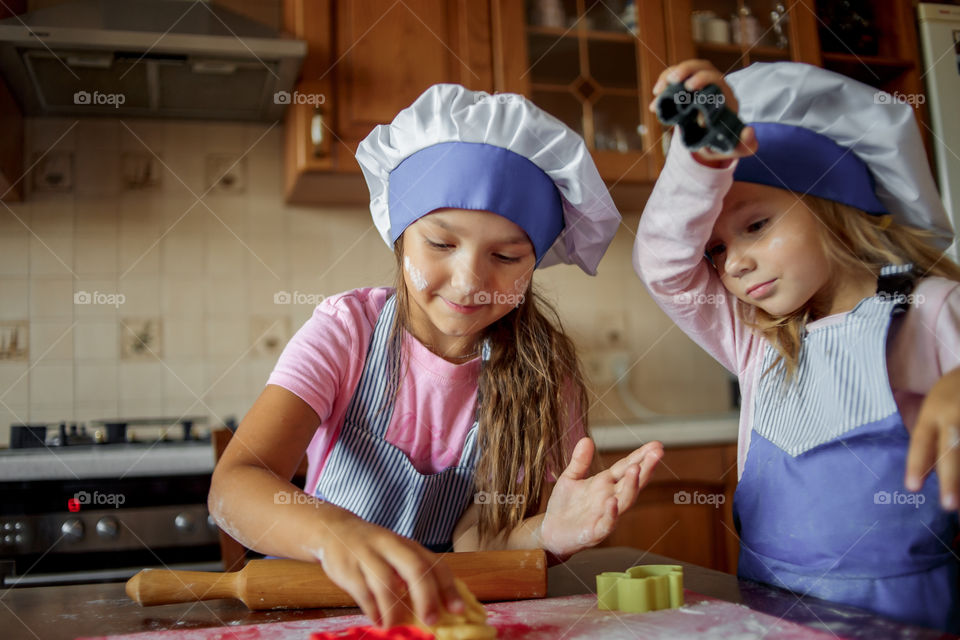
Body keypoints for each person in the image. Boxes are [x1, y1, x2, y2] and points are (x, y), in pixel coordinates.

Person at [210, 84, 664, 629]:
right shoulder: (347, 332)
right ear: (400, 237)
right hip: (318, 606)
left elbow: (477, 542)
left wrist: (547, 533)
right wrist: (339, 535)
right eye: (441, 244)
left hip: (442, 613)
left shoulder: (545, 374)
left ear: (534, 263)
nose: (471, 279)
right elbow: (235, 486)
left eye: (505, 255)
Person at [634, 60, 960, 631]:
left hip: (912, 618)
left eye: (756, 225)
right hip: (771, 616)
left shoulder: (931, 308)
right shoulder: (756, 339)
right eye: (715, 250)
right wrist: (702, 164)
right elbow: (662, 269)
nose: (733, 263)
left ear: (837, 206)